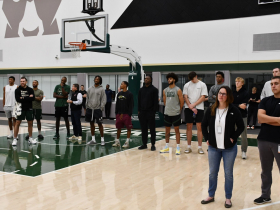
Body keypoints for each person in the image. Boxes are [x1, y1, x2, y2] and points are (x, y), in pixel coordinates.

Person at [201, 86, 244, 208]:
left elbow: (241, 126)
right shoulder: (210, 110)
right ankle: (211, 195)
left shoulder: (234, 110)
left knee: (228, 173)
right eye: (220, 93)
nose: (221, 96)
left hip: (229, 148)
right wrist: (207, 138)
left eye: (224, 94)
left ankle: (228, 198)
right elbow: (203, 125)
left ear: (228, 96)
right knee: (212, 173)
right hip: (214, 148)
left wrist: (233, 137)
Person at [253, 76, 280, 205]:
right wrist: (277, 120)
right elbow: (260, 118)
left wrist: (266, 118)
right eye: (272, 84)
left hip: (279, 142)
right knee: (265, 171)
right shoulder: (265, 101)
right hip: (263, 140)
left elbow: (264, 118)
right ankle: (265, 196)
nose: (273, 86)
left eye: (276, 83)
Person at [183, 71, 208, 154]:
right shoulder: (187, 85)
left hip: (199, 108)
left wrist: (194, 105)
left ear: (196, 76)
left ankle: (200, 147)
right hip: (188, 108)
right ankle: (189, 147)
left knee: (199, 127)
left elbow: (203, 97)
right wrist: (190, 106)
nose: (192, 81)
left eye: (193, 79)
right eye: (191, 79)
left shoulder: (202, 84)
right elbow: (185, 97)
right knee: (188, 126)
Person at [160, 73, 184, 155]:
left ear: (174, 80)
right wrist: (168, 109)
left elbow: (182, 102)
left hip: (176, 113)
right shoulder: (165, 90)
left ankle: (178, 147)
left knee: (177, 130)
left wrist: (178, 110)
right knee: (167, 131)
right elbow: (165, 102)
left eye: (170, 79)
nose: (169, 80)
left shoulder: (178, 90)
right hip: (167, 113)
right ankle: (166, 146)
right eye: (168, 79)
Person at [12, 77, 37, 146]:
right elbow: (17, 99)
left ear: (26, 82)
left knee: (30, 123)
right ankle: (15, 139)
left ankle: (30, 138)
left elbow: (33, 98)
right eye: (21, 81)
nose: (22, 82)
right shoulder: (17, 90)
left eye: (23, 81)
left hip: (29, 108)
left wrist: (22, 97)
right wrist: (28, 97)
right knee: (17, 122)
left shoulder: (30, 89)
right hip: (20, 109)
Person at [138, 75, 159, 151]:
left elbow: (155, 102)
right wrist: (139, 111)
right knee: (143, 129)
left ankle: (153, 144)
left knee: (152, 129)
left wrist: (153, 112)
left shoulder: (154, 90)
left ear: (151, 80)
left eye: (147, 78)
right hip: (142, 112)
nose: (146, 79)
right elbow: (139, 101)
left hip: (150, 112)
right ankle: (144, 144)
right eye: (145, 78)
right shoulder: (141, 90)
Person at [86, 76, 107, 146]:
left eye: (98, 79)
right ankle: (93, 139)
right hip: (90, 109)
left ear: (100, 81)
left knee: (100, 124)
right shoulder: (89, 88)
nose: (96, 80)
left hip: (98, 110)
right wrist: (87, 107)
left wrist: (101, 108)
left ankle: (102, 140)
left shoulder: (102, 89)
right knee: (91, 124)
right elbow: (87, 98)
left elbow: (104, 99)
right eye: (95, 79)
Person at [112, 81, 134, 148]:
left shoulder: (130, 94)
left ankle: (127, 142)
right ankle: (117, 141)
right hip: (119, 114)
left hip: (126, 114)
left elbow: (131, 105)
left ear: (125, 85)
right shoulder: (119, 94)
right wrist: (116, 113)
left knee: (128, 128)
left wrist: (129, 114)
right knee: (118, 128)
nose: (120, 85)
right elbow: (117, 104)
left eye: (121, 84)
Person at [232, 77, 249, 159]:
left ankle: (244, 151)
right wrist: (238, 105)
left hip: (242, 116)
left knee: (243, 135)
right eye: (236, 81)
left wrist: (235, 105)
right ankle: (231, 149)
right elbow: (229, 104)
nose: (237, 83)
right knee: (232, 133)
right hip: (233, 116)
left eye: (239, 81)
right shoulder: (232, 93)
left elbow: (244, 106)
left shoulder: (246, 93)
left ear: (242, 83)